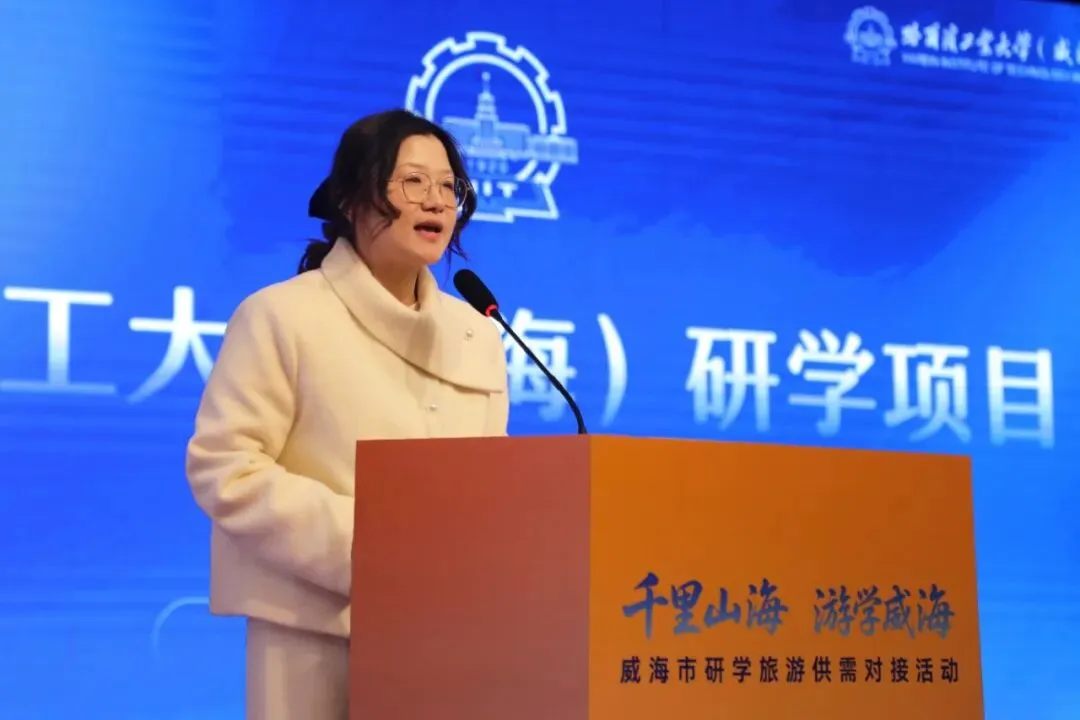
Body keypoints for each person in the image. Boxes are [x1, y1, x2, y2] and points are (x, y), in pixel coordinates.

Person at [184, 109, 509, 720]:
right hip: (313, 628)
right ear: (352, 199)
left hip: (446, 633)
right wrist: (370, 545)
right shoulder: (282, 316)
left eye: (449, 186)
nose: (435, 201)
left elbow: (488, 485)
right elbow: (224, 466)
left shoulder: (478, 333)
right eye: (412, 182)